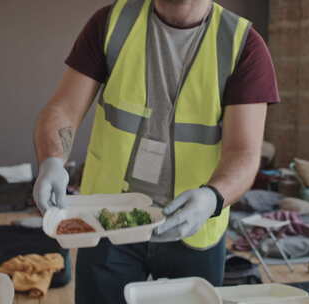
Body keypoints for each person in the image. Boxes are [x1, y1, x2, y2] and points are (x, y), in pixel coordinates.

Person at [33, 0, 279, 302]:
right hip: (108, 221)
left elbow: (244, 151)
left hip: (193, 226)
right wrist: (52, 161)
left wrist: (211, 197)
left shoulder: (243, 45)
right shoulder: (111, 23)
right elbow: (64, 109)